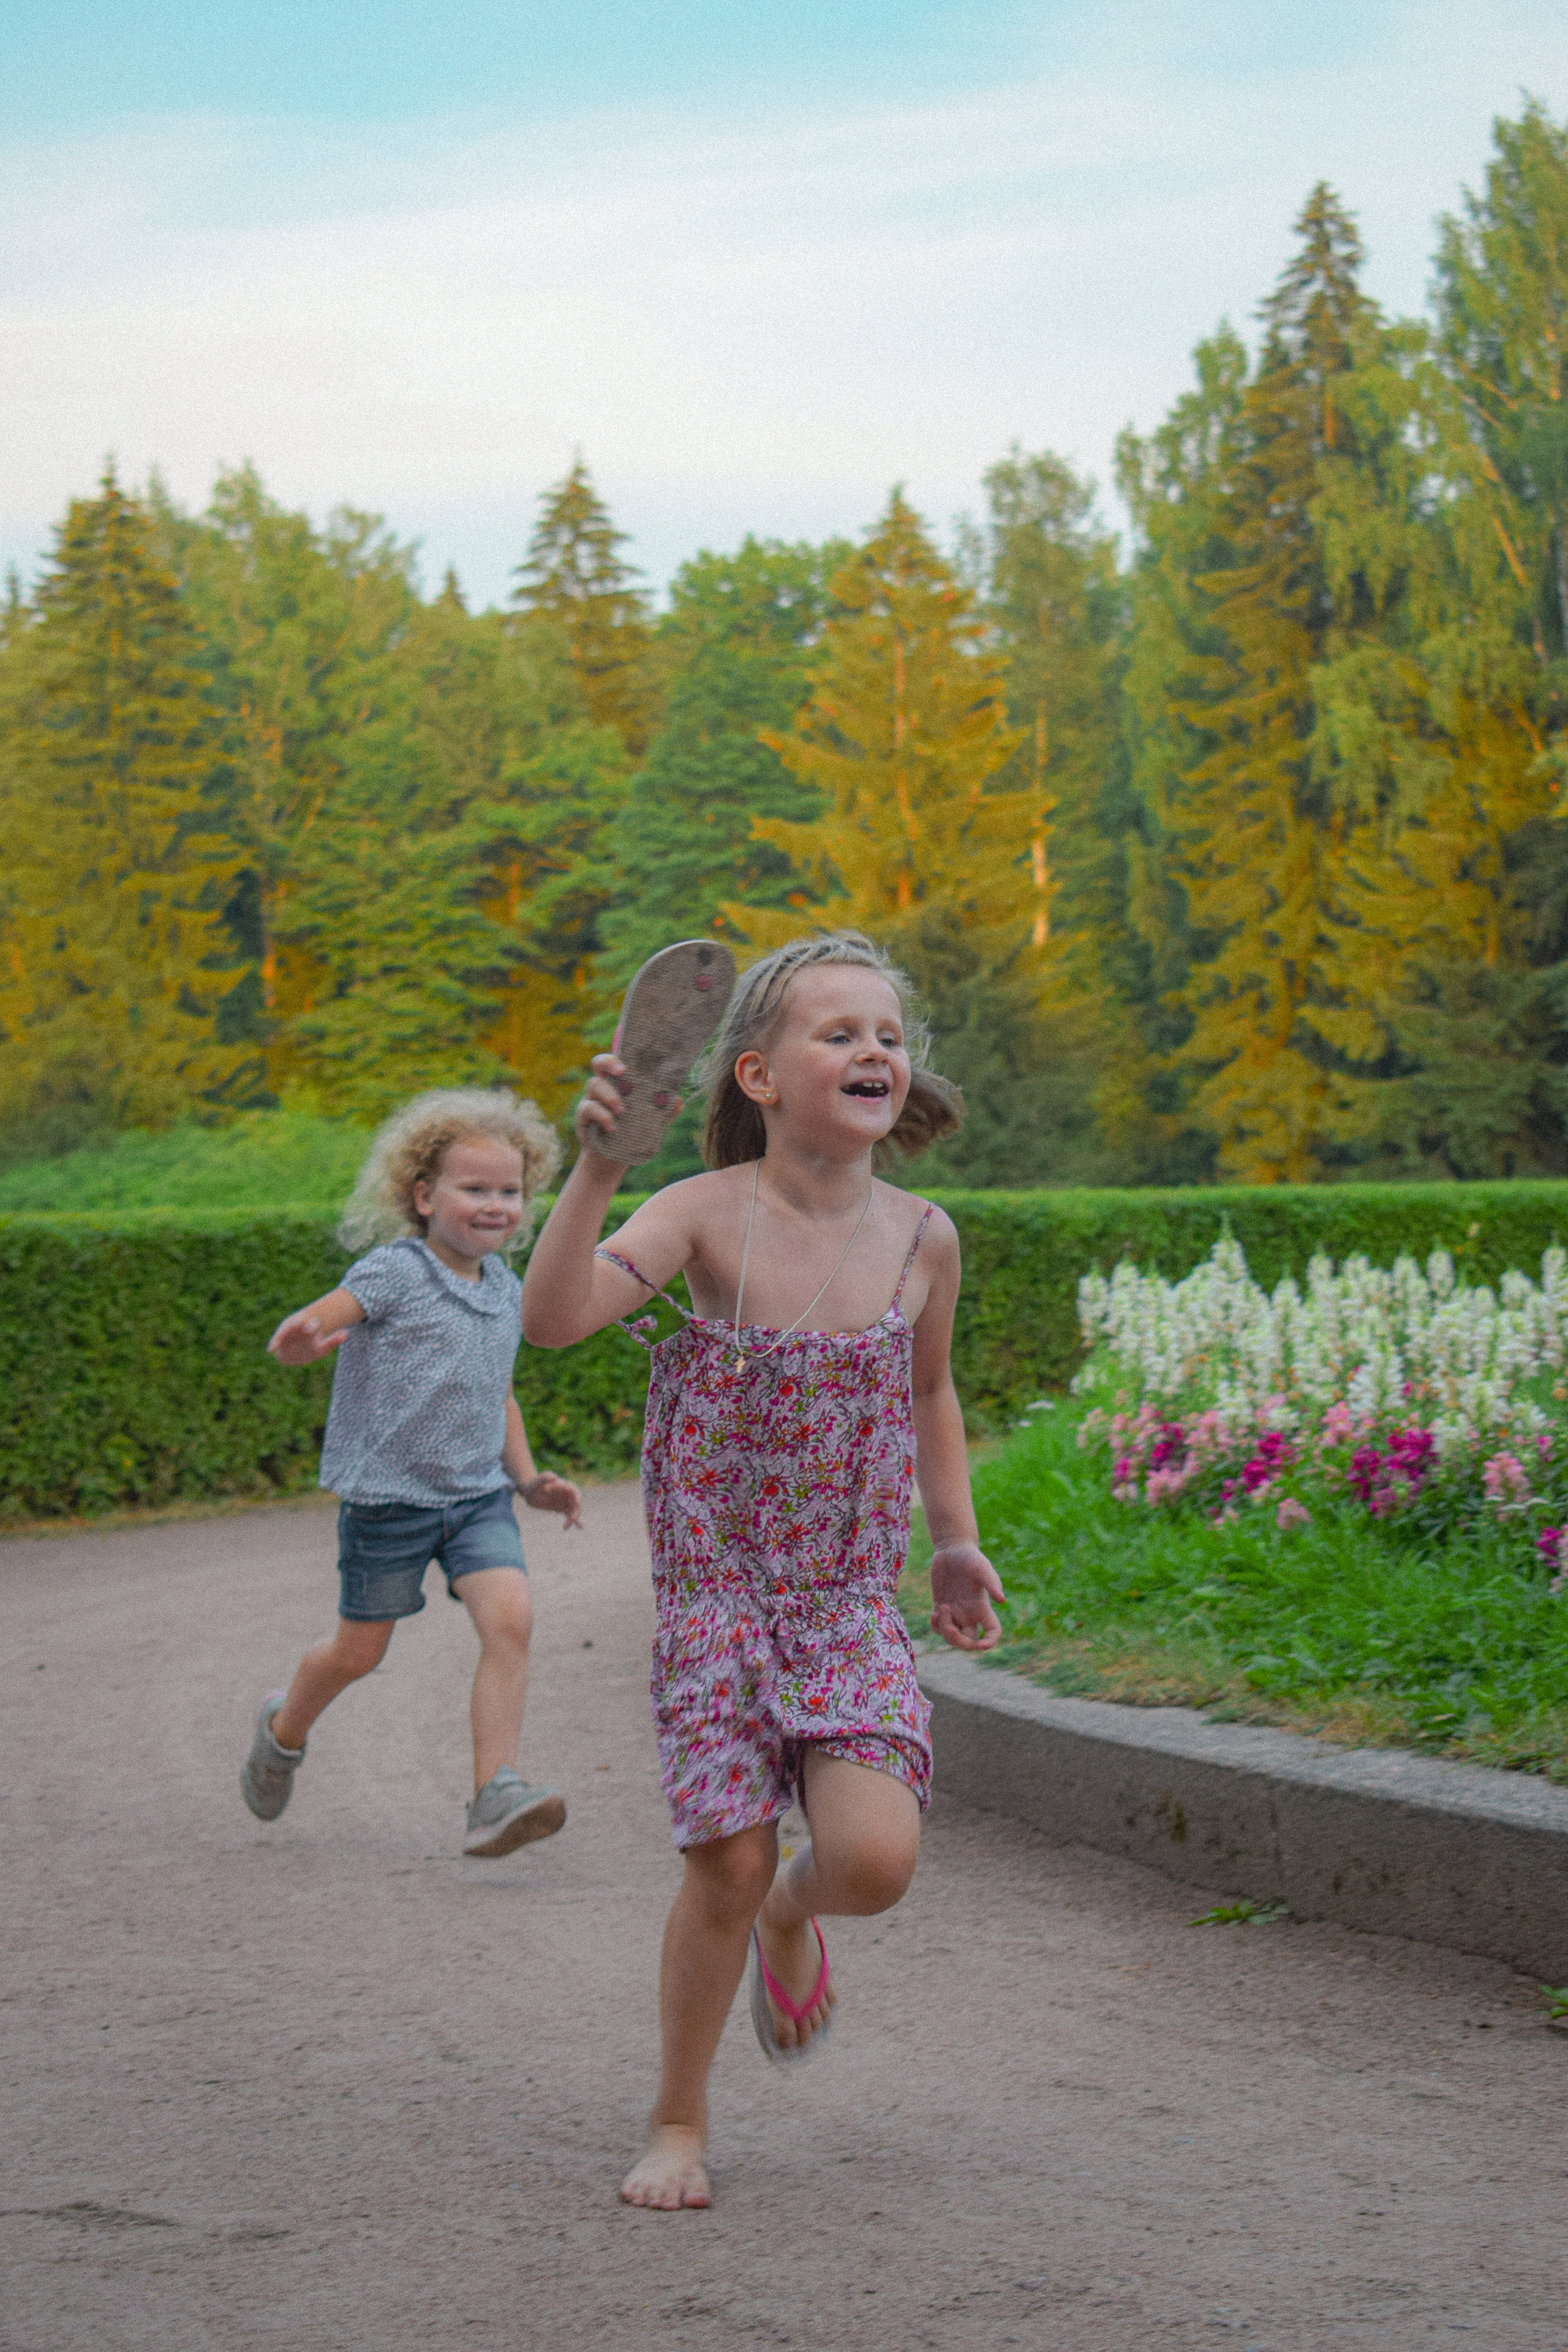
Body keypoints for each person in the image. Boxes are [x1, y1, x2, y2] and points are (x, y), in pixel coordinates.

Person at [521, 932, 1005, 2211]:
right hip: (719, 1604)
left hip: (848, 1604)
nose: (874, 1052)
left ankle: (793, 1917)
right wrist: (600, 1165)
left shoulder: (924, 1237)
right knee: (723, 1867)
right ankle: (678, 2118)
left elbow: (931, 1391)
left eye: (888, 1036)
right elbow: (552, 1321)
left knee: (874, 1863)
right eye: (838, 1033)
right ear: (758, 1075)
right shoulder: (697, 1214)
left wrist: (955, 1542)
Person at [241, 1087, 584, 1859]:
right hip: (389, 1503)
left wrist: (528, 1482)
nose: (495, 1206)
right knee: (358, 1654)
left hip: (476, 1499)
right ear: (424, 1196)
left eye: (510, 1191)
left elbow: (498, 1395)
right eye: (475, 1189)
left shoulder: (505, 1288)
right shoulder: (395, 1271)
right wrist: (303, 1336)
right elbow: (323, 1317)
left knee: (511, 1620)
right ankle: (283, 1732)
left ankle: (495, 1791)